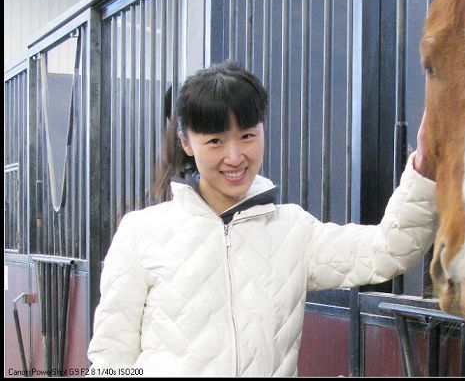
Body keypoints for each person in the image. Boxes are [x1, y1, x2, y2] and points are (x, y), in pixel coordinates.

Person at [87, 61, 437, 377]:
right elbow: (110, 360)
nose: (235, 156)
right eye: (214, 141)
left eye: (247, 136)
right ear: (186, 142)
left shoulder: (292, 231)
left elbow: (390, 250)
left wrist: (425, 165)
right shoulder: (142, 232)